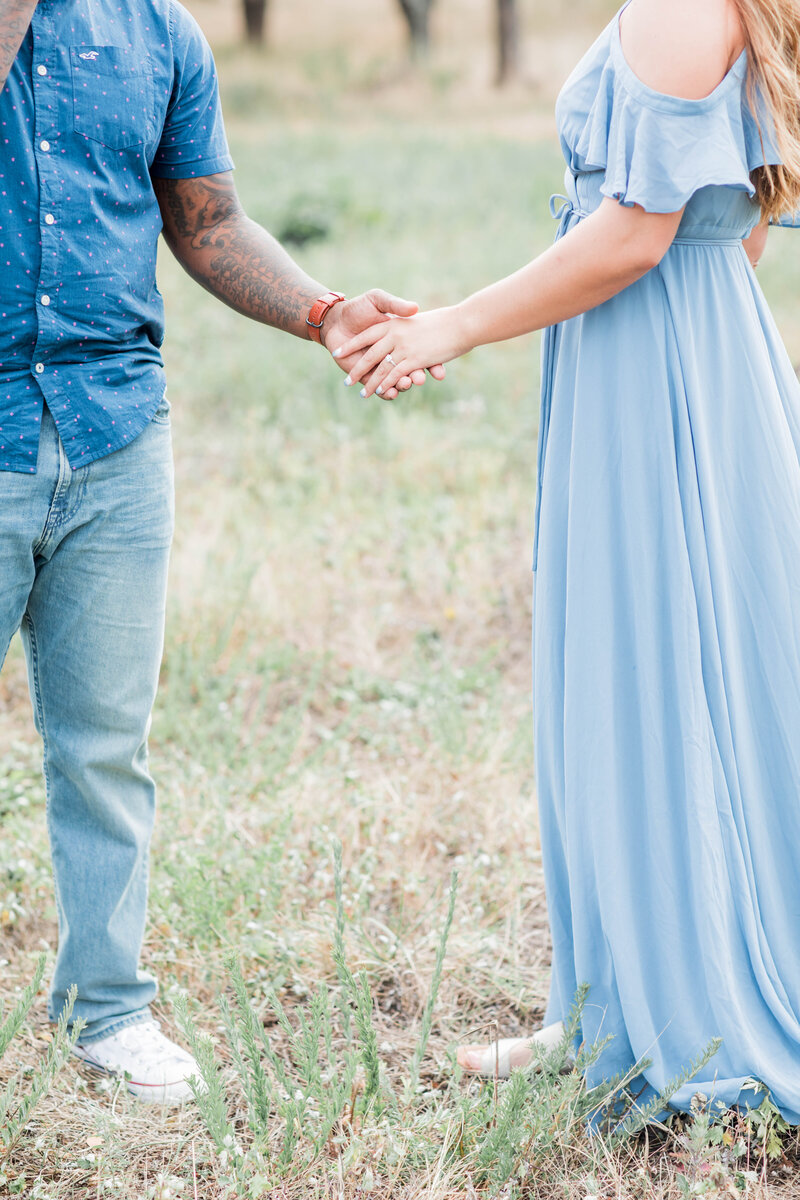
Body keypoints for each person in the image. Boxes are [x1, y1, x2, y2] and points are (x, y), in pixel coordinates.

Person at [337, 0, 800, 1122]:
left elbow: (635, 236)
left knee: (650, 681)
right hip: (695, 347)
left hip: (653, 355)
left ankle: (680, 1012)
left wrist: (448, 325)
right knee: (667, 678)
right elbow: (735, 224)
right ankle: (612, 999)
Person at [0, 0, 444, 1105]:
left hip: (114, 430)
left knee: (106, 748)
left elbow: (208, 221)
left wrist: (323, 313)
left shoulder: (162, 32)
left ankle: (107, 1010)